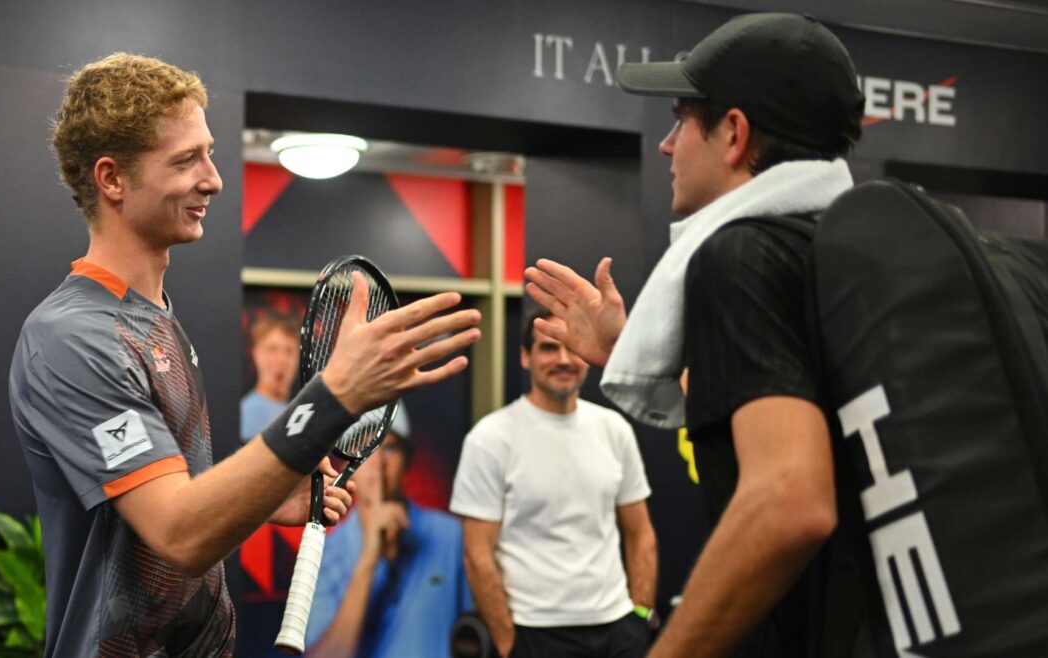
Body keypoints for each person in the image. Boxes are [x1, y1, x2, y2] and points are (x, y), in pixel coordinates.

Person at [8, 53, 481, 657]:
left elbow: (169, 513)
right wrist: (335, 396)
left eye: (208, 154)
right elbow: (179, 532)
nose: (213, 179)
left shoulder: (156, 319)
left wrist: (262, 497)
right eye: (186, 160)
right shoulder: (74, 337)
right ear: (112, 179)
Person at [524, 13, 865, 658]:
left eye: (681, 121)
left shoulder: (741, 255)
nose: (666, 145)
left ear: (734, 134)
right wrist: (625, 350)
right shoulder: (838, 248)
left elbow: (791, 501)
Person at [451, 308, 658, 658]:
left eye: (573, 347)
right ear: (525, 356)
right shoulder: (490, 438)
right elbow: (477, 554)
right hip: (534, 633)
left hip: (619, 631)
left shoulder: (614, 430)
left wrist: (640, 616)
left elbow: (641, 533)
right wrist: (509, 644)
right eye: (549, 347)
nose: (563, 359)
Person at [305, 404, 474, 658]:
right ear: (347, 465)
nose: (378, 463)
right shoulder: (323, 553)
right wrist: (369, 559)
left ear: (407, 459)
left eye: (390, 448)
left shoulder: (452, 536)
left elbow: (476, 636)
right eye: (365, 449)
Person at [240, 313, 301, 441]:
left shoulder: (301, 414)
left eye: (289, 350)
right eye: (272, 349)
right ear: (256, 354)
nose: (282, 360)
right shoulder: (244, 415)